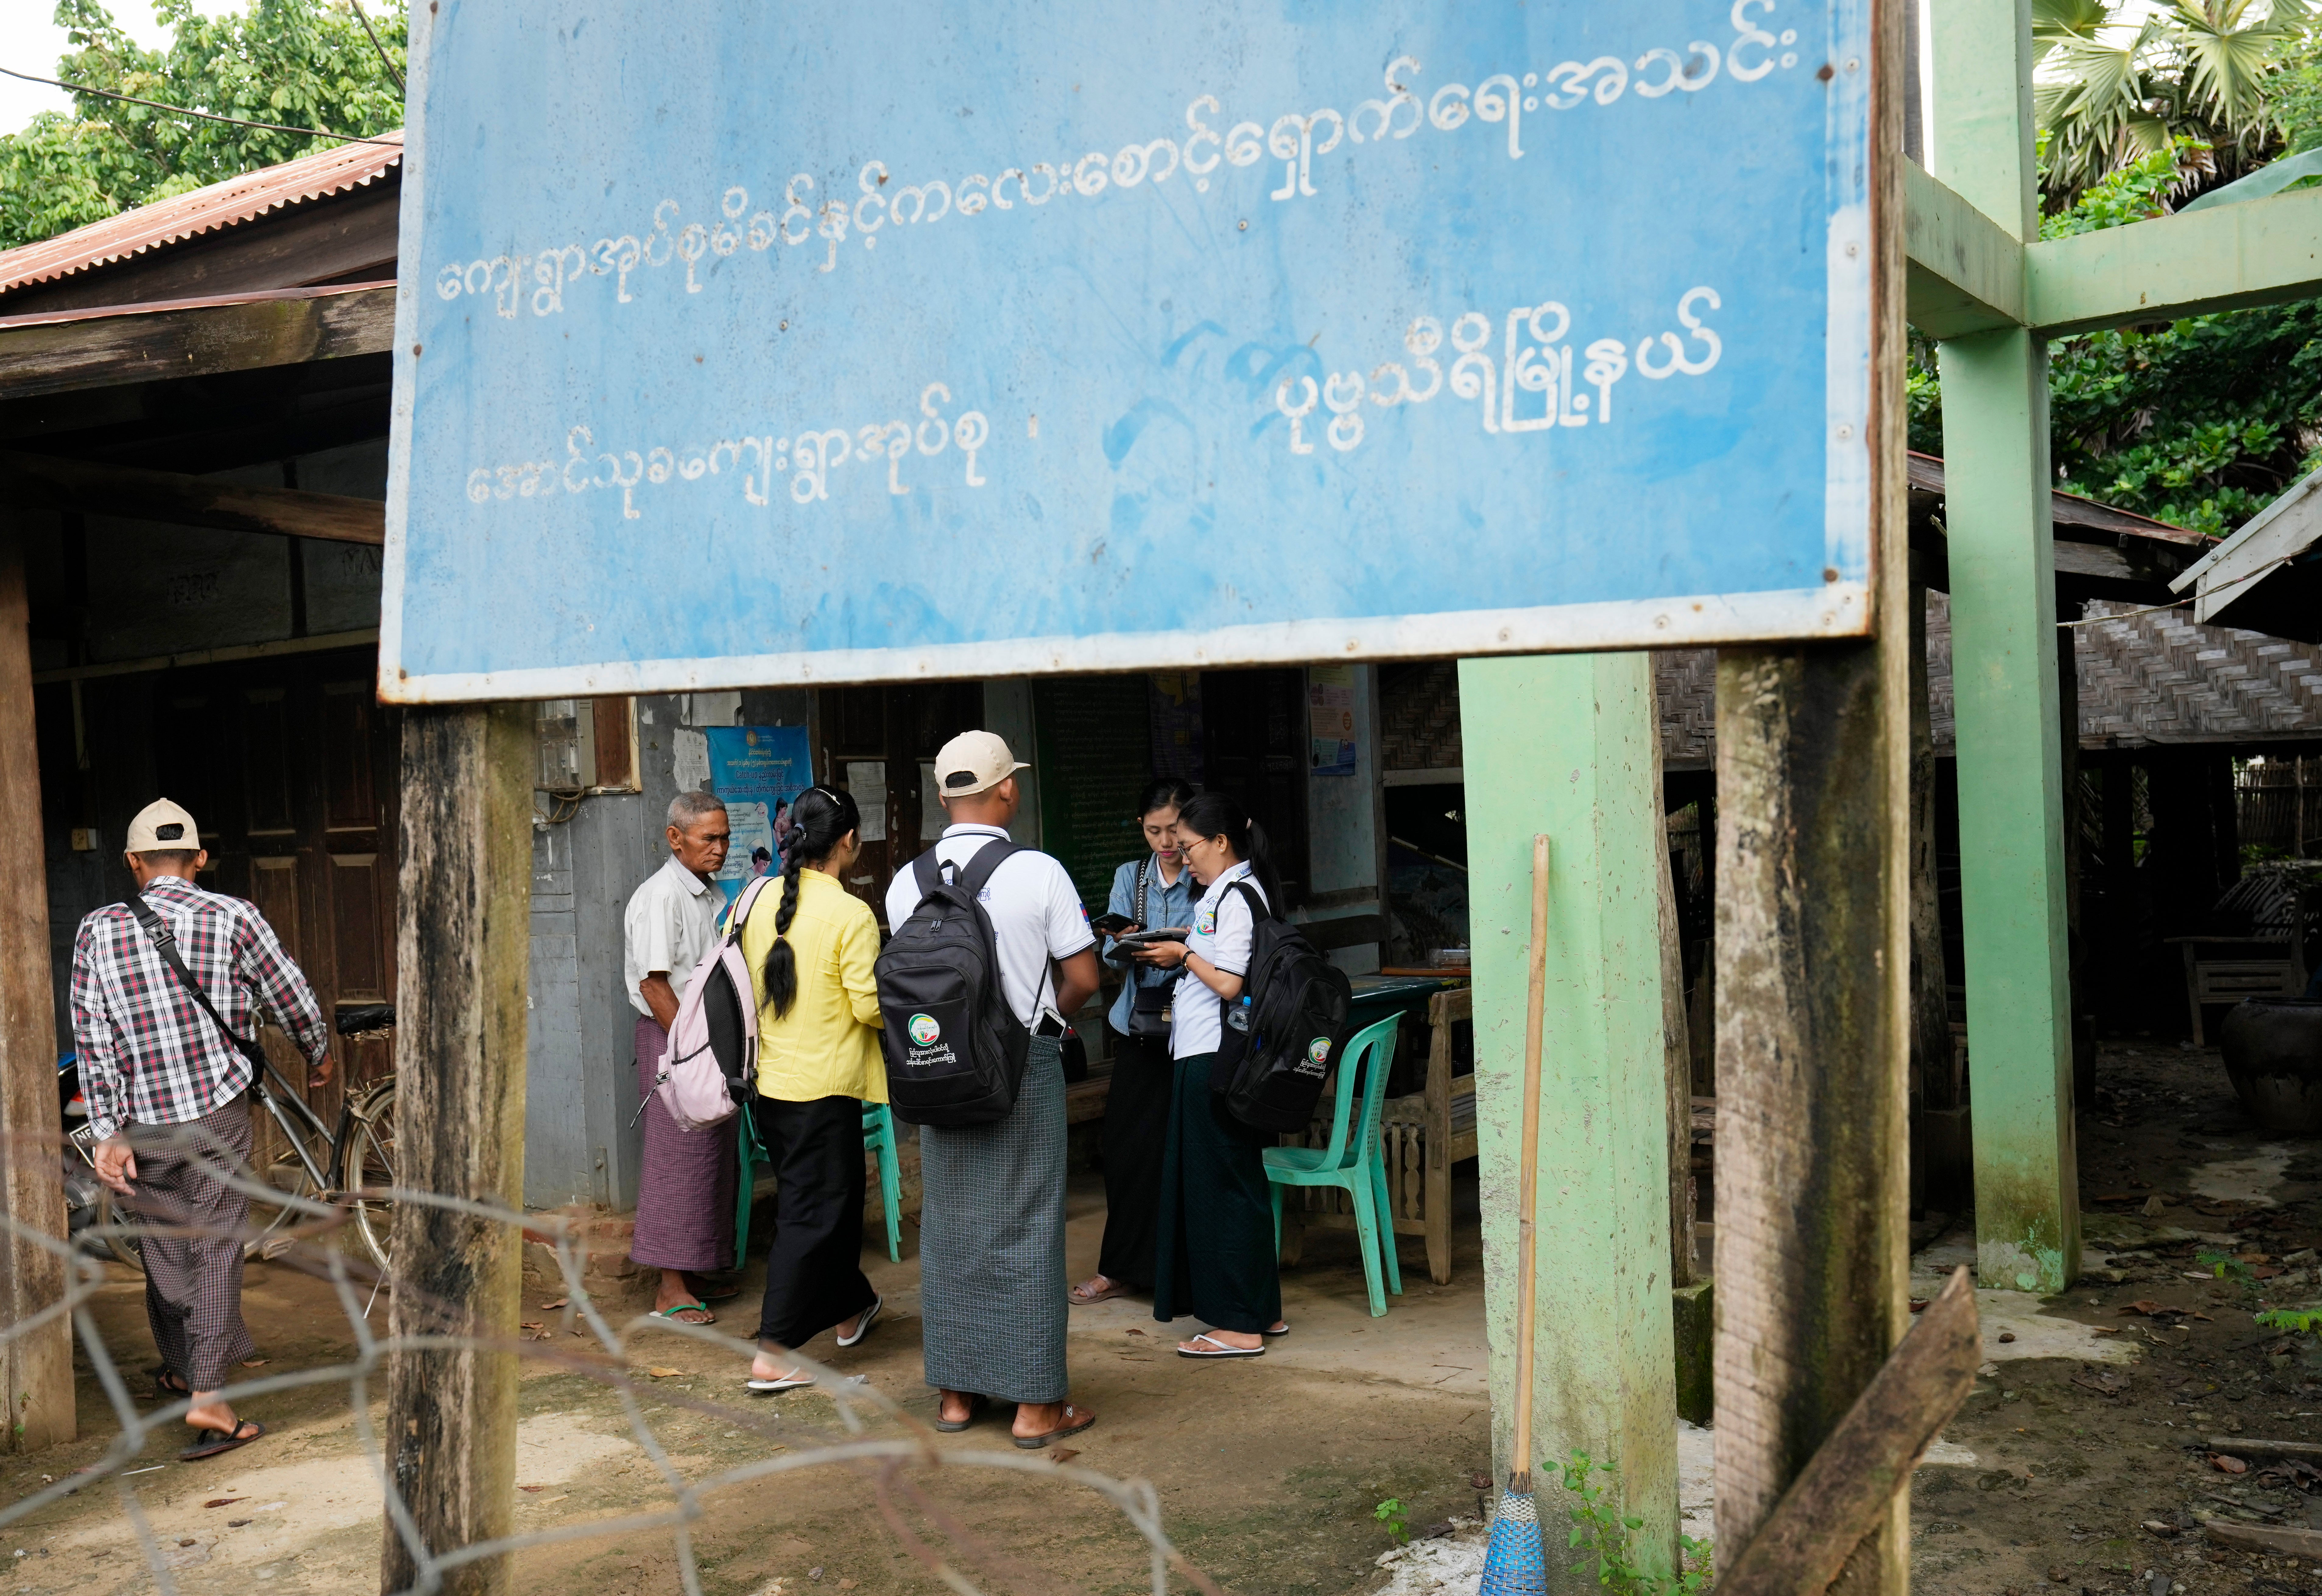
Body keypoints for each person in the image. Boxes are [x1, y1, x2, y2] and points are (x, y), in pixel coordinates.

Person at [74, 798, 333, 1460]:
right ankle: (210, 1393)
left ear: (133, 862)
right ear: (200, 858)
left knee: (163, 1244)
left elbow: (93, 1038)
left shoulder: (97, 930)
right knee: (216, 1244)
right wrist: (317, 1050)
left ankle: (185, 1364)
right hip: (217, 1110)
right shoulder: (235, 915)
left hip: (142, 1119)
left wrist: (106, 1129)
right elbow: (290, 994)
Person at [884, 731, 1104, 1445]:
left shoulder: (906, 881)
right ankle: (1036, 1405)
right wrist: (1044, 1026)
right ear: (1008, 787)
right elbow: (1084, 977)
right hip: (1022, 1063)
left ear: (944, 795)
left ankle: (956, 1393)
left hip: (937, 1066)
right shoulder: (1038, 870)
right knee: (1028, 1223)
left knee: (950, 1224)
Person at [736, 786, 885, 1391]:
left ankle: (851, 1306)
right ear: (848, 840)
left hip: (771, 1084)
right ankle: (773, 1353)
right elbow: (869, 1005)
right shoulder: (850, 913)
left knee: (832, 1205)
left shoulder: (755, 898)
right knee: (812, 1213)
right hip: (824, 1088)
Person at [1139, 791, 1289, 1358]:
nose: (1183, 857)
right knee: (1237, 1180)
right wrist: (1188, 942)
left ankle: (1237, 1325)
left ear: (1221, 842)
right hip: (1212, 1052)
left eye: (1189, 846)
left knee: (1219, 1186)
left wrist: (1183, 956)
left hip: (1214, 1056)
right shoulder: (1233, 891)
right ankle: (1260, 1310)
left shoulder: (1236, 895)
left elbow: (1229, 982)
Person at [1070, 777, 1198, 1307]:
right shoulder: (1131, 877)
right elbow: (1107, 955)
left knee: (1186, 1149)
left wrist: (1180, 949)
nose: (1165, 842)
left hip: (1194, 1030)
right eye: (1153, 831)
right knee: (1126, 1150)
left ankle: (1183, 1272)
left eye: (1173, 830)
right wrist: (1125, 943)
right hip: (1138, 1027)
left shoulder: (1205, 874)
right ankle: (1119, 1268)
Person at [624, 790, 738, 1323]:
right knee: (676, 1159)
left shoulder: (709, 893)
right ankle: (669, 1287)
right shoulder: (661, 896)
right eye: (708, 838)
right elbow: (654, 985)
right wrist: (691, 1051)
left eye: (725, 837)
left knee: (710, 1156)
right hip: (674, 1038)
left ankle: (693, 1271)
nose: (720, 848)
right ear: (675, 838)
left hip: (705, 1038)